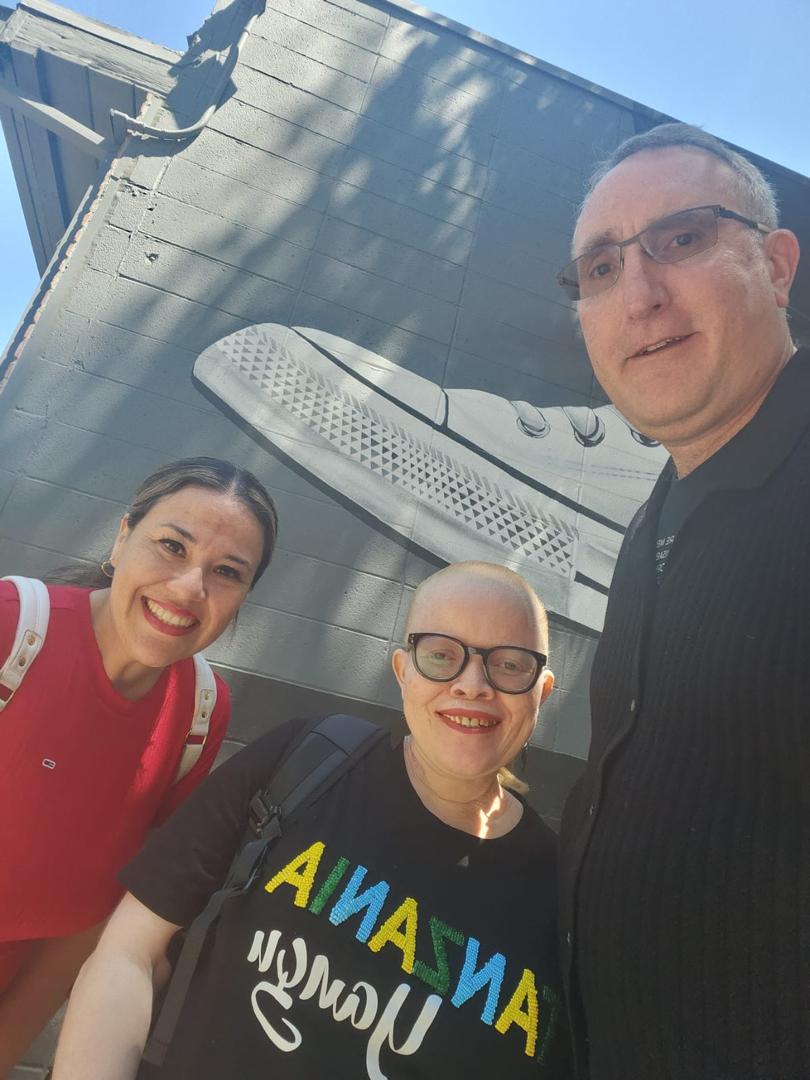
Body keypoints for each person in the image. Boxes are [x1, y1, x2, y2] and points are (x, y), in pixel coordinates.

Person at [52, 561, 570, 1079]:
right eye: (441, 655)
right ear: (403, 671)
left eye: (509, 664)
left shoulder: (569, 894)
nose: (472, 685)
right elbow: (131, 951)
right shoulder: (306, 762)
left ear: (541, 693)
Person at [555, 122, 805, 1079]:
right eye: (602, 267)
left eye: (684, 239)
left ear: (777, 266)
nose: (641, 295)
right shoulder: (652, 528)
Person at [0, 456, 278, 1076]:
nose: (189, 589)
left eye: (227, 572)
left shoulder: (202, 713)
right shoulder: (11, 625)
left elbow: (98, 917)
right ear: (123, 535)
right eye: (171, 546)